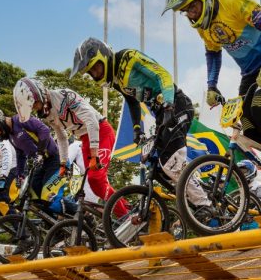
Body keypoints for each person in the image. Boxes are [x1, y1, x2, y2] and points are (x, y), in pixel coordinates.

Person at [162, 0, 261, 197]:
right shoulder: (203, 27)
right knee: (245, 128)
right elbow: (213, 53)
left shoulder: (234, 2)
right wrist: (212, 85)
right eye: (185, 10)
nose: (190, 13)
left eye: (192, 6)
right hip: (249, 73)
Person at [71, 38, 210, 207]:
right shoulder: (115, 79)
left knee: (169, 159)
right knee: (158, 164)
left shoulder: (129, 57)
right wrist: (137, 128)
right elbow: (131, 101)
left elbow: (163, 75)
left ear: (104, 56)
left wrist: (168, 104)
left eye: (95, 67)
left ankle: (204, 204)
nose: (95, 73)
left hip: (176, 105)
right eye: (91, 71)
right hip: (161, 113)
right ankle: (199, 193)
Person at [12, 77, 128, 217]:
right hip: (84, 139)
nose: (35, 108)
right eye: (32, 107)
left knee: (96, 179)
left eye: (34, 104)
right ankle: (127, 207)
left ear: (39, 94)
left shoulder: (65, 96)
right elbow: (61, 137)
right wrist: (63, 162)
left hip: (101, 132)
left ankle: (126, 216)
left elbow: (91, 120)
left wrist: (94, 153)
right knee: (96, 184)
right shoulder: (48, 113)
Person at [0, 106, 76, 215]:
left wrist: (40, 153)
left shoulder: (21, 119)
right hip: (41, 164)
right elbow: (21, 155)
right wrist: (19, 175)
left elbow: (45, 131)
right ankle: (55, 227)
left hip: (56, 159)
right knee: (34, 197)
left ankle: (83, 214)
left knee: (49, 197)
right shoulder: (11, 135)